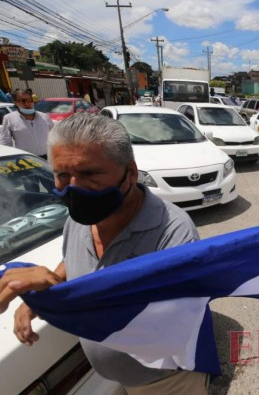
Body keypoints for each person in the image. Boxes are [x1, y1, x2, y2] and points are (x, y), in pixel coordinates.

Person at [0, 113, 209, 395]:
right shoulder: (77, 219)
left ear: (131, 173)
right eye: (63, 175)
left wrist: (57, 300)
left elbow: (163, 325)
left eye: (90, 174)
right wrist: (52, 282)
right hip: (116, 378)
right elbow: (78, 261)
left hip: (166, 381)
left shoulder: (173, 233)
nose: (74, 187)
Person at [0, 89, 54, 159]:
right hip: (26, 160)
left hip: (48, 158)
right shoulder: (9, 118)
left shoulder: (44, 117)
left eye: (29, 100)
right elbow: (5, 142)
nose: (27, 103)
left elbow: (56, 136)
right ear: (15, 102)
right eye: (22, 101)